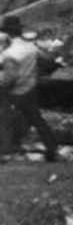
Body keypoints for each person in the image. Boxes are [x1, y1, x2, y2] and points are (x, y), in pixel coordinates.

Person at [0, 15, 59, 162]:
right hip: (30, 88)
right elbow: (48, 61)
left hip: (15, 91)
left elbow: (10, 78)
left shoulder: (9, 54)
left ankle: (6, 152)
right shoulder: (31, 47)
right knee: (37, 119)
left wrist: (2, 87)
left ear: (7, 33)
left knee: (4, 120)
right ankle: (52, 148)